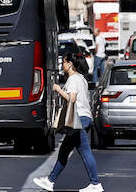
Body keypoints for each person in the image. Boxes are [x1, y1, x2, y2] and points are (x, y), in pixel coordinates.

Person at [33, 54, 103, 192]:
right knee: (65, 150)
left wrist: (58, 90)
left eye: (64, 62)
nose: (62, 65)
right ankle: (50, 181)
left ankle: (95, 183)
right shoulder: (81, 78)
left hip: (79, 119)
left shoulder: (73, 79)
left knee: (84, 151)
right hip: (84, 118)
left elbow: (72, 98)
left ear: (70, 64)